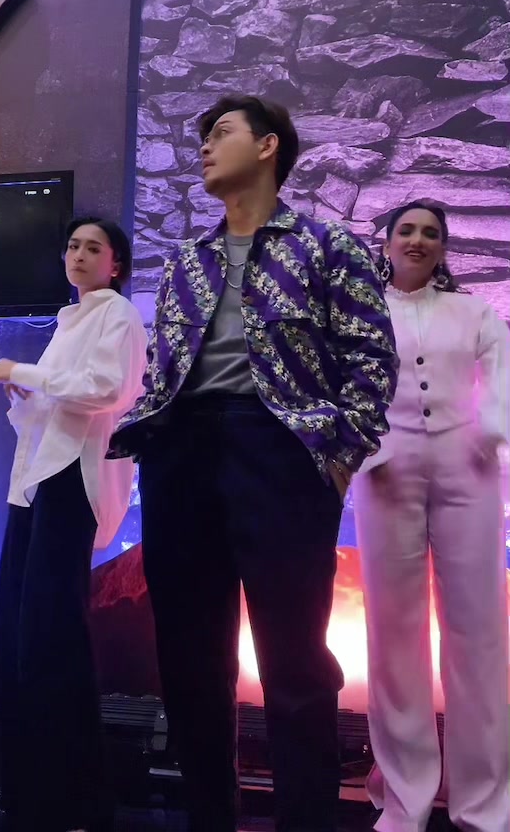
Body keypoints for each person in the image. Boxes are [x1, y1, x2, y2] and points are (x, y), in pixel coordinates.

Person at [107, 94, 398, 832]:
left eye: (221, 132)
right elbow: (165, 370)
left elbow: (372, 359)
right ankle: (210, 818)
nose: (205, 146)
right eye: (202, 136)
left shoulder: (329, 246)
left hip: (279, 453)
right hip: (183, 456)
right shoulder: (187, 260)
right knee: (189, 659)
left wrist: (337, 458)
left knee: (295, 661)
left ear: (268, 146)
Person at [0, 218, 148, 832]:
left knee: (51, 642)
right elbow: (55, 410)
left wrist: (20, 372)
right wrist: (24, 398)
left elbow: (107, 390)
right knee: (17, 636)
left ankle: (73, 801)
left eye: (93, 248)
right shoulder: (69, 321)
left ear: (115, 265)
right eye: (73, 245)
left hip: (71, 485)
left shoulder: (118, 316)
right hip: (34, 484)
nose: (78, 254)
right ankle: (29, 793)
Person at [353, 201, 510, 832]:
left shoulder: (474, 313)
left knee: (479, 632)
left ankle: (485, 804)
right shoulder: (362, 313)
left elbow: (500, 377)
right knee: (393, 634)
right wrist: (363, 448)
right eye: (407, 230)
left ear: (444, 247)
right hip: (385, 469)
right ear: (387, 241)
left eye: (430, 233)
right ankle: (405, 799)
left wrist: (491, 431)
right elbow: (340, 382)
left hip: (468, 466)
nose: (417, 240)